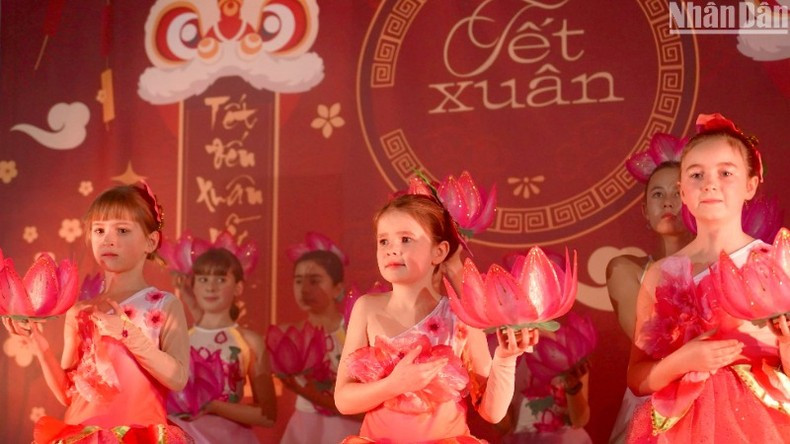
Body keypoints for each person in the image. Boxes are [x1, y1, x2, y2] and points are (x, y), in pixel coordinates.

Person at [626, 113, 790, 441]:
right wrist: (682, 361)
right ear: (682, 190)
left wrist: (785, 341)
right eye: (696, 175)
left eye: (725, 173)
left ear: (750, 184)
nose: (710, 184)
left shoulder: (777, 263)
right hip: (680, 426)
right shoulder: (661, 274)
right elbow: (637, 375)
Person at [334, 192, 539, 442]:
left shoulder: (460, 315)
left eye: (406, 239)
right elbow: (343, 400)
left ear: (439, 252)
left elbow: (492, 413)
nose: (391, 250)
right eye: (383, 241)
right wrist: (394, 385)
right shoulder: (367, 309)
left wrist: (505, 359)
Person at [3, 182, 192, 442]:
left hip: (137, 435)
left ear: (151, 241)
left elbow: (178, 378)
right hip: (85, 434)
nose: (108, 239)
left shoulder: (163, 305)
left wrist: (130, 335)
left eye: (123, 230)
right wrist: (37, 341)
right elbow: (69, 394)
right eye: (99, 230)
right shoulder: (80, 311)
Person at [607, 134, 692, 443]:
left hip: (714, 397)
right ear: (645, 210)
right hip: (654, 404)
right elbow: (651, 349)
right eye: (657, 194)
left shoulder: (723, 264)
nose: (668, 201)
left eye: (678, 192)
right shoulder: (627, 270)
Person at [169, 247, 277, 442]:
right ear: (193, 286)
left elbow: (268, 415)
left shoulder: (249, 341)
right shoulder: (179, 337)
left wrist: (214, 406)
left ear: (238, 287)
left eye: (221, 280)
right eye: (203, 280)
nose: (211, 288)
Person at [279, 248, 362, 443]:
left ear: (337, 288)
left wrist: (305, 392)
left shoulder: (354, 331)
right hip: (304, 430)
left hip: (347, 428)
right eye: (298, 281)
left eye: (315, 281)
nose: (305, 289)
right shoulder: (288, 336)